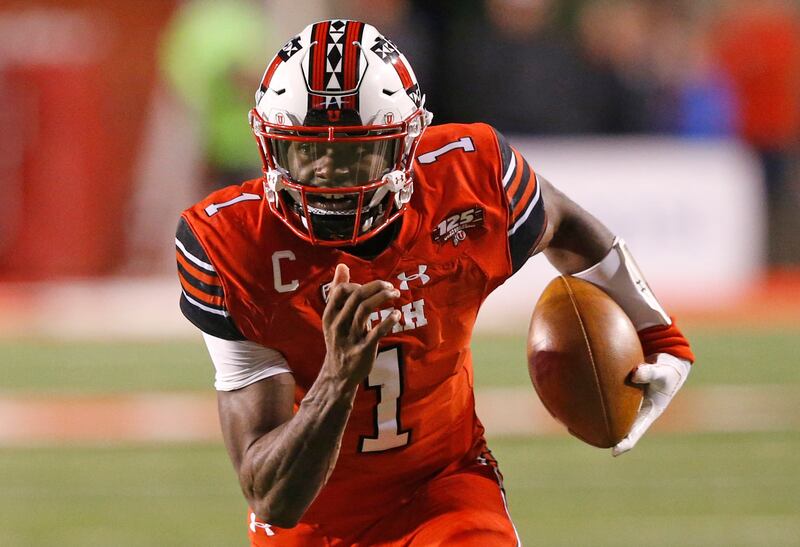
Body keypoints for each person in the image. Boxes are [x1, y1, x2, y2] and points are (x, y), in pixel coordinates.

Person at [175, 20, 695, 546]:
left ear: (405, 144)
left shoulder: (469, 177)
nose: (331, 175)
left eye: (358, 154)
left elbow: (562, 222)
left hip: (444, 488)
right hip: (314, 523)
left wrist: (660, 334)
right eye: (308, 152)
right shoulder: (232, 244)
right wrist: (338, 377)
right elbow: (273, 499)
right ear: (270, 146)